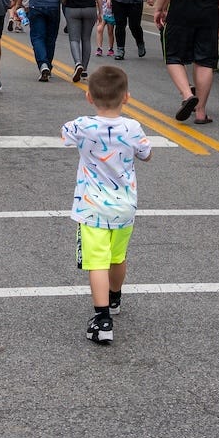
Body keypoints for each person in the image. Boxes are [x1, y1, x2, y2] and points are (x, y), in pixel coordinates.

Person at [62, 63, 150, 347]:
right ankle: (114, 298)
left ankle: (101, 319)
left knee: (96, 261)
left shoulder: (83, 126)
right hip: (125, 206)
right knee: (117, 256)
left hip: (92, 207)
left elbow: (65, 135)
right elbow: (146, 154)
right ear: (126, 97)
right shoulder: (133, 127)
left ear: (89, 97)